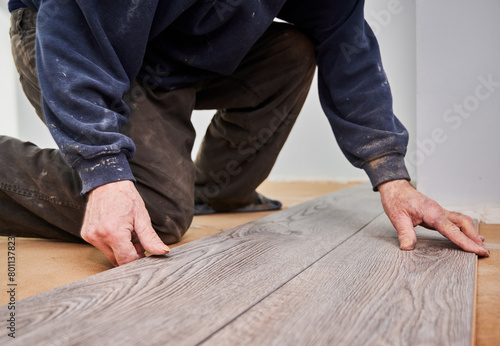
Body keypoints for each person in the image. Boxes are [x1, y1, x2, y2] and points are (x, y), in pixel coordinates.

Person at [1, 0, 489, 267]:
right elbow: (76, 36)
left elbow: (348, 47)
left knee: (294, 50)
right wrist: (104, 171)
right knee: (157, 215)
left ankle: (216, 190)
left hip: (172, 48)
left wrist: (393, 176)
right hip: (69, 35)